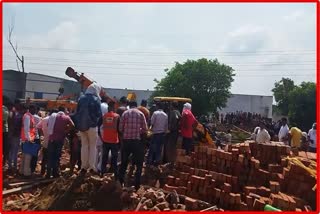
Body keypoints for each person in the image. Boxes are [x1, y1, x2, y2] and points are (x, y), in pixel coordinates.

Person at [118, 101, 148, 190]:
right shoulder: (140, 114)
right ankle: (137, 185)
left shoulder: (125, 113)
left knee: (124, 163)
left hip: (126, 141)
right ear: (136, 106)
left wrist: (125, 132)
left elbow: (120, 128)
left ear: (130, 106)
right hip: (136, 142)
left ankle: (120, 183)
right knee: (138, 164)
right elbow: (145, 129)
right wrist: (138, 132)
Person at [74, 83, 102, 174]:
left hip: (82, 127)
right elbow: (99, 114)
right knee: (93, 146)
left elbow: (76, 113)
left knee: (84, 146)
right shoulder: (96, 99)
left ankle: (83, 166)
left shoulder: (81, 99)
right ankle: (92, 167)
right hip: (92, 126)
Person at [47, 106, 75, 178]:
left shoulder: (52, 116)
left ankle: (48, 174)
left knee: (50, 156)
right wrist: (66, 131)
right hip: (59, 139)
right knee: (57, 156)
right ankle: (55, 173)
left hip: (51, 139)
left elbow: (48, 125)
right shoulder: (66, 117)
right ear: (64, 110)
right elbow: (72, 125)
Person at [98, 101, 120, 178]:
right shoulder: (117, 116)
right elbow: (119, 130)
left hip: (105, 140)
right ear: (113, 108)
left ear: (108, 108)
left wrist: (101, 137)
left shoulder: (104, 116)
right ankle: (114, 175)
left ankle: (102, 173)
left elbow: (98, 127)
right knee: (114, 158)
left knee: (104, 157)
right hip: (114, 141)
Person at [19, 104, 38, 177]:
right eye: (34, 110)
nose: (35, 111)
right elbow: (26, 129)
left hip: (26, 139)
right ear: (31, 109)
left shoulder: (29, 116)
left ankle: (21, 171)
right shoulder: (27, 116)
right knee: (27, 157)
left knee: (24, 157)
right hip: (27, 139)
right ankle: (26, 173)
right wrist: (29, 139)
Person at [8, 99, 23, 173]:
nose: (18, 106)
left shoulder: (19, 113)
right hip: (13, 134)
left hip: (16, 134)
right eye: (18, 104)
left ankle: (13, 166)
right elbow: (10, 123)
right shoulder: (13, 112)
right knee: (13, 150)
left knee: (15, 150)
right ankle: (11, 166)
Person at [36, 110, 52, 175]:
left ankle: (42, 172)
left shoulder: (44, 119)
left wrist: (42, 133)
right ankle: (48, 173)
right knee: (51, 157)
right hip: (52, 141)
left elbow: (38, 127)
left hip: (45, 140)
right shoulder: (56, 119)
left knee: (45, 157)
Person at [96, 96, 109, 173]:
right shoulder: (107, 106)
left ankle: (94, 167)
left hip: (95, 127)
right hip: (103, 128)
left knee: (96, 149)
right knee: (103, 149)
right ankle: (100, 167)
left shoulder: (97, 105)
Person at [30, 105, 42, 173]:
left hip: (28, 138)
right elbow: (40, 129)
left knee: (28, 154)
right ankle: (32, 169)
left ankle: (27, 168)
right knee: (34, 154)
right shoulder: (38, 118)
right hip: (36, 138)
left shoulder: (27, 116)